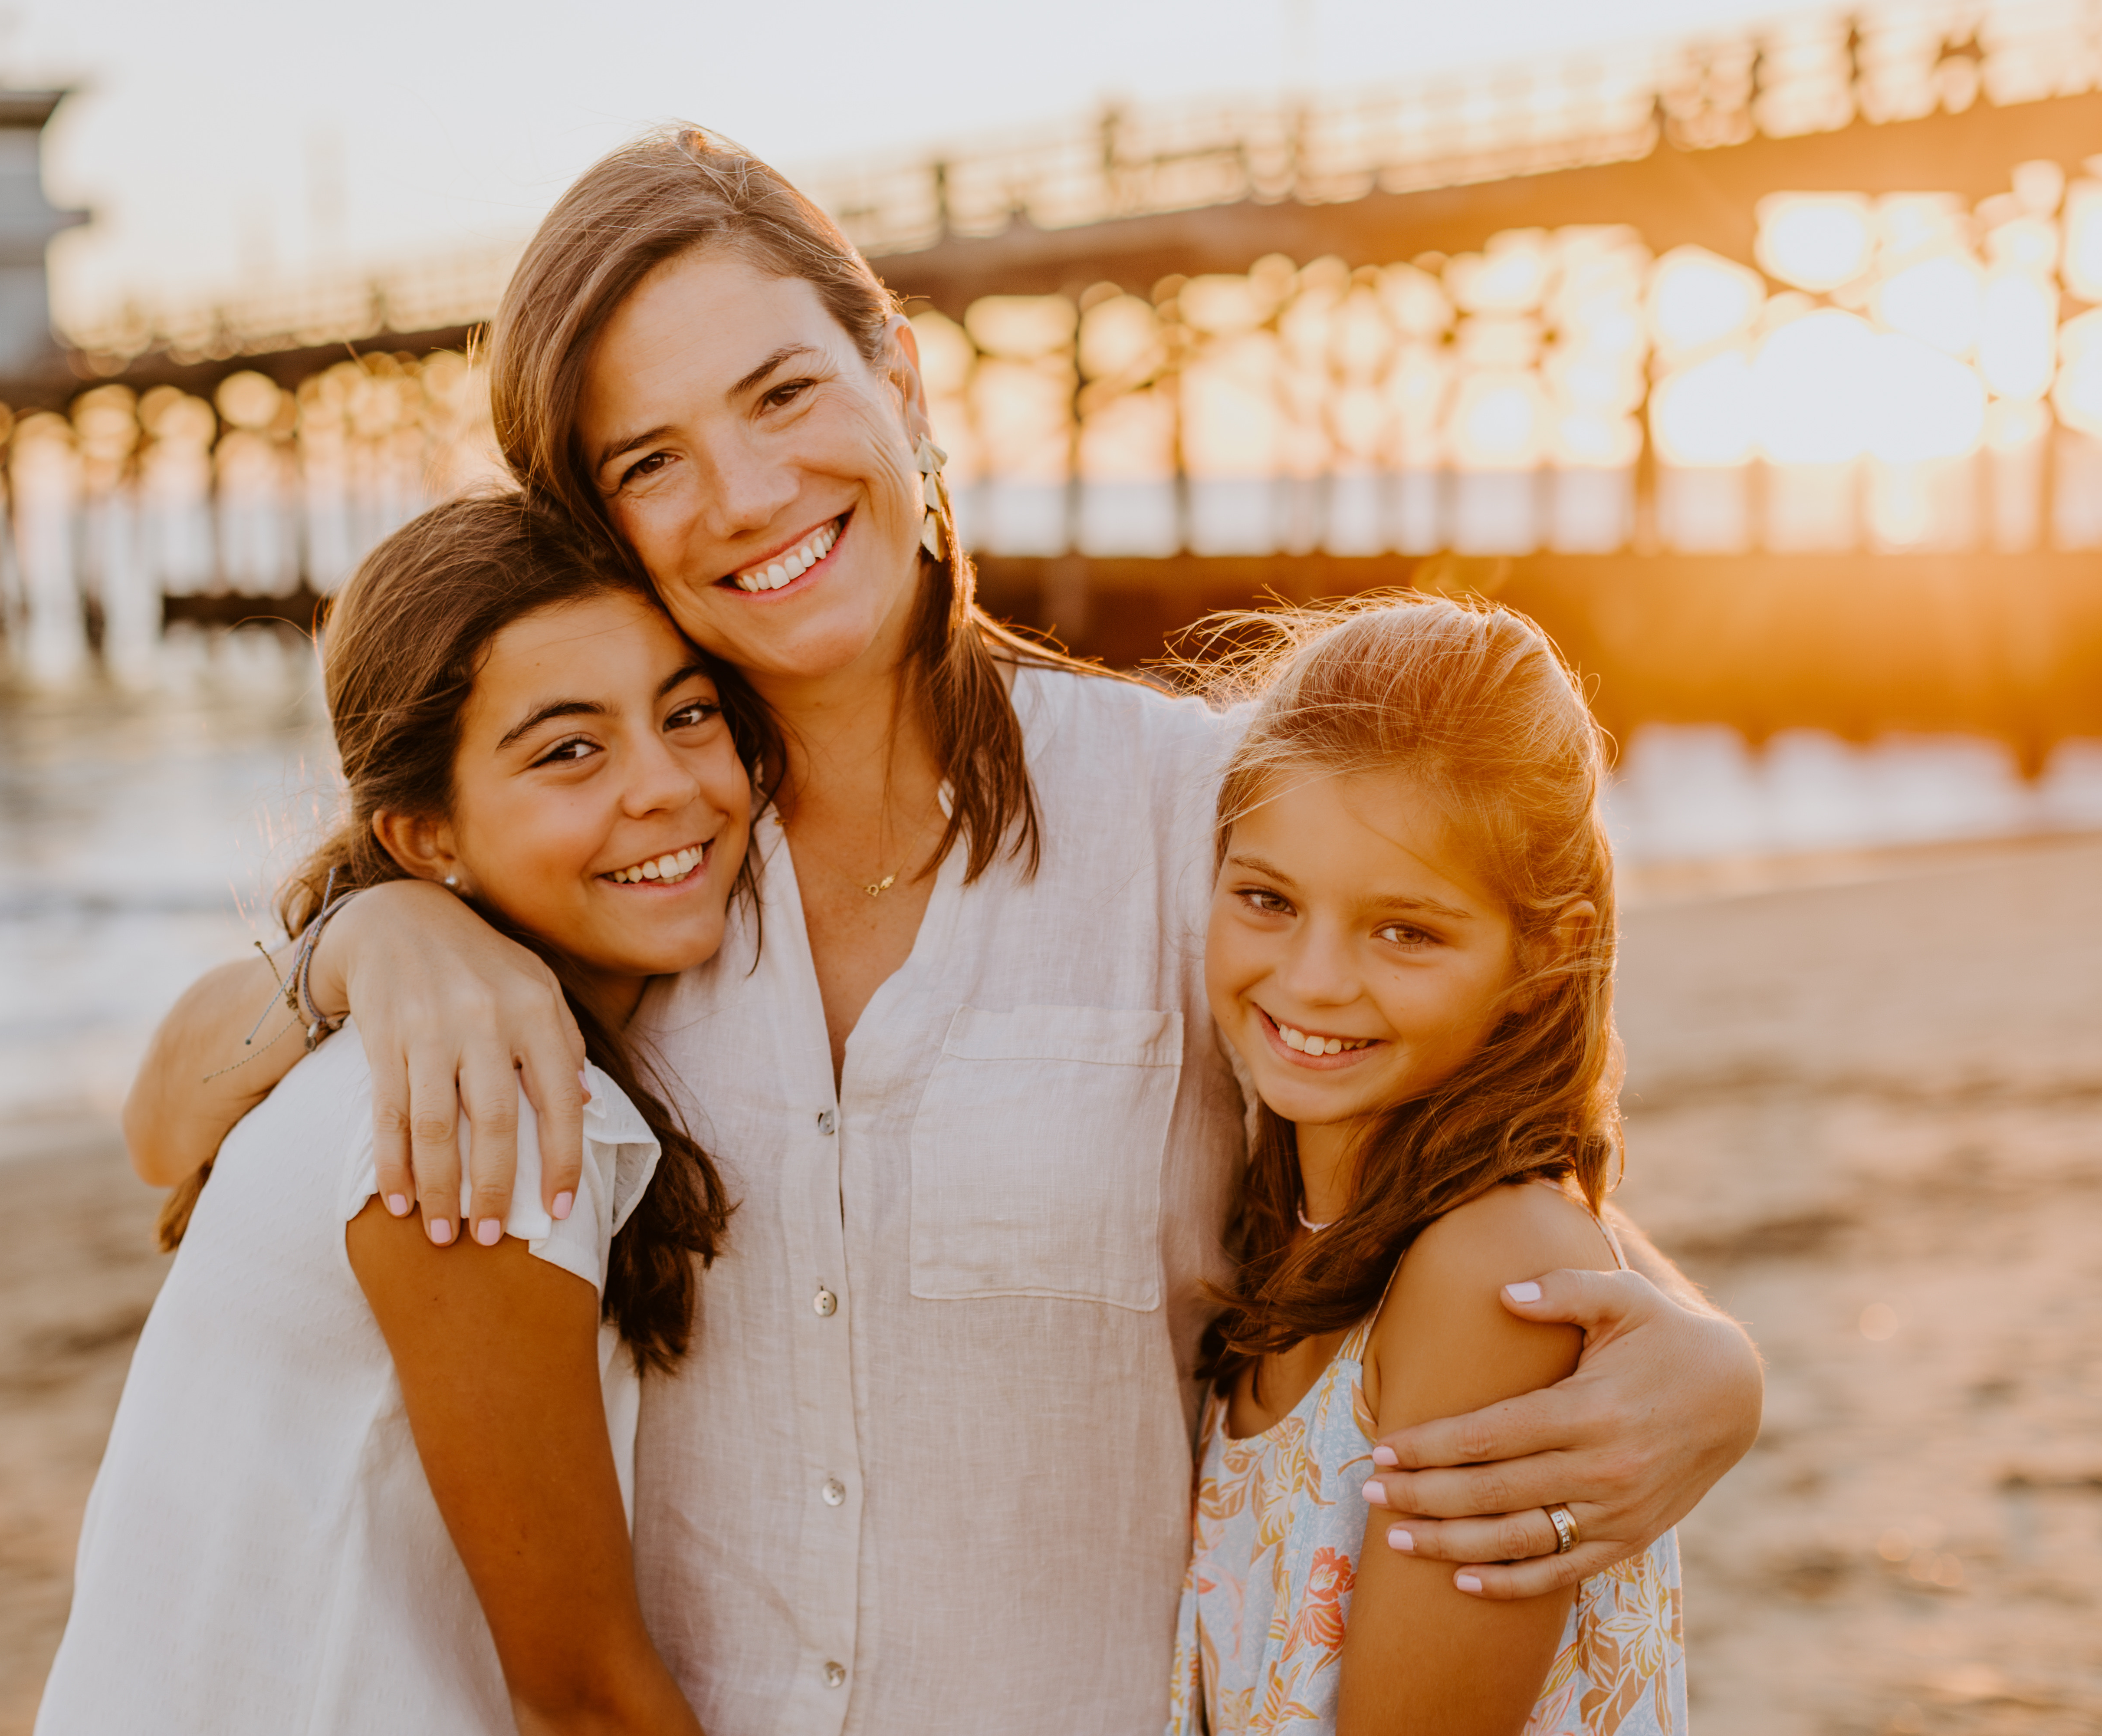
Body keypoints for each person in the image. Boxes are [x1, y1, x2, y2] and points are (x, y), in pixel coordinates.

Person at [121, 128, 1761, 1733]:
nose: (749, 494)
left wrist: (1703, 1354)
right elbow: (168, 1121)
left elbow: (1448, 1152)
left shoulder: (1194, 821)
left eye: (783, 394)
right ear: (598, 521)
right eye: (652, 458)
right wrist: (379, 938)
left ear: (899, 379)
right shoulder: (621, 877)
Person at [38, 494, 754, 1735]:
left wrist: (358, 932)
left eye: (688, 713)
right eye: (568, 751)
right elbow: (582, 1699)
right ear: (428, 838)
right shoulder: (478, 1106)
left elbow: (154, 1130)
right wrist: (353, 940)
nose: (667, 787)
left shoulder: (387, 1032)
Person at [1173, 595, 1682, 1734]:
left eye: (1404, 930)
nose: (1310, 982)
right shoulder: (1292, 1220)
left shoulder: (1492, 1271)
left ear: (1539, 953)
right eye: (1267, 900)